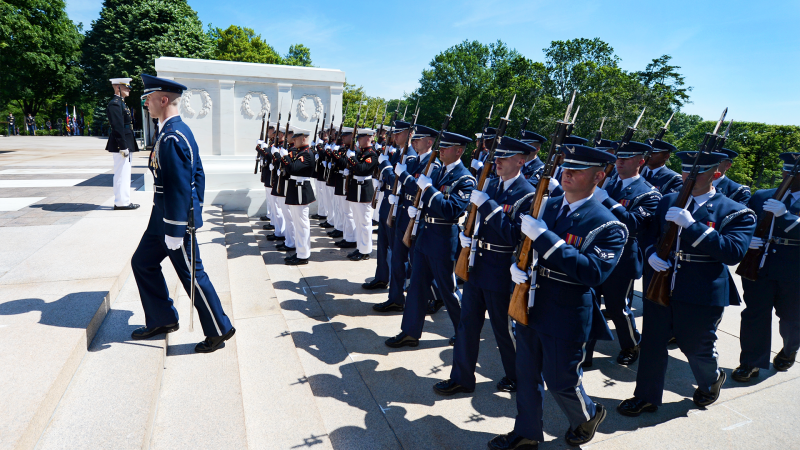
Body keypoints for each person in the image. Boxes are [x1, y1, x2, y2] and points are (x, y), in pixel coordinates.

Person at [490, 144, 625, 449]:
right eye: (567, 167)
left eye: (578, 169)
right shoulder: (546, 206)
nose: (568, 173)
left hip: (567, 309)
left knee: (561, 380)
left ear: (599, 176)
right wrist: (516, 266)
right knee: (526, 375)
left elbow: (593, 272)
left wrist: (546, 238)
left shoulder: (608, 224)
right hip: (531, 301)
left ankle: (587, 414)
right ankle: (526, 433)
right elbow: (522, 244)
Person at [618, 151, 756, 417]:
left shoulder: (735, 210)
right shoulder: (668, 200)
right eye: (685, 172)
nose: (688, 178)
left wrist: (693, 226)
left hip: (701, 290)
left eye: (697, 173)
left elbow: (733, 252)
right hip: (661, 284)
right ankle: (646, 397)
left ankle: (711, 379)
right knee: (652, 345)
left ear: (715, 174)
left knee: (697, 347)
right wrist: (650, 254)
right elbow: (647, 233)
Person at [130, 74, 235, 353]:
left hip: (173, 223)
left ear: (163, 100)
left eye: (149, 99)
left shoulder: (173, 137)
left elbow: (180, 185)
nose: (146, 104)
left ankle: (219, 329)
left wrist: (180, 226)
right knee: (142, 263)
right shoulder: (172, 131)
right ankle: (162, 318)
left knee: (193, 277)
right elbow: (198, 175)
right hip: (161, 219)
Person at [434, 136, 536, 397]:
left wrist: (488, 206)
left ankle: (515, 375)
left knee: (503, 329)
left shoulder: (529, 194)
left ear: (521, 161)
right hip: (477, 263)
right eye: (497, 156)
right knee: (467, 325)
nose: (498, 161)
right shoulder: (490, 184)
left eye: (505, 157)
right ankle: (462, 378)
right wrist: (468, 235)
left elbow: (514, 236)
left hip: (502, 268)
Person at [385, 130, 476, 348]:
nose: (440, 150)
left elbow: (451, 210)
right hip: (425, 235)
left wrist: (428, 190)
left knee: (449, 291)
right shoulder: (438, 172)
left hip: (444, 240)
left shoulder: (465, 179)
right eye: (440, 147)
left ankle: (465, 332)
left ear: (459, 151)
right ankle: (410, 332)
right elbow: (424, 196)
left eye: (446, 147)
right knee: (416, 286)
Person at [584, 141, 662, 368]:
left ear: (640, 161)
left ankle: (631, 344)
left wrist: (605, 199)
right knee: (590, 302)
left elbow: (636, 224)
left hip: (622, 257)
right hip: (596, 253)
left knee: (618, 307)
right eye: (618, 157)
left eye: (626, 159)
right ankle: (586, 352)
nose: (619, 162)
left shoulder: (649, 193)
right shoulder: (608, 183)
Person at [733, 152, 800, 381]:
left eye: (796, 171)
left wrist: (787, 217)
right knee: (754, 315)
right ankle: (751, 362)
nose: (790, 175)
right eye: (787, 169)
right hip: (760, 265)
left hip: (795, 271)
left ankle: (790, 348)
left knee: (791, 319)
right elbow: (746, 222)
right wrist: (748, 239)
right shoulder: (763, 195)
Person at [374, 124, 440, 313]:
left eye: (419, 139)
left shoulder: (433, 166)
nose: (415, 142)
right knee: (397, 260)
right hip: (404, 216)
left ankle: (434, 297)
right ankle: (395, 298)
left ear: (429, 142)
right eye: (415, 138)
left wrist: (394, 172)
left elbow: (417, 187)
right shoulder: (412, 162)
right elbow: (401, 185)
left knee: (419, 264)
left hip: (419, 220)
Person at [363, 122, 407, 289]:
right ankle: (381, 276)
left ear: (409, 135)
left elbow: (396, 179)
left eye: (399, 133)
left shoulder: (409, 156)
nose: (394, 136)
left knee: (396, 249)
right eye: (394, 133)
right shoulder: (396, 153)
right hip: (386, 202)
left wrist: (385, 166)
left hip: (397, 205)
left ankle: (399, 285)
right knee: (382, 244)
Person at [281, 127, 317, 265]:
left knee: (302, 224)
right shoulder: (300, 152)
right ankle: (300, 251)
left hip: (301, 190)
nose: (293, 140)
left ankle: (303, 255)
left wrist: (284, 157)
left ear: (303, 138)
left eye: (296, 138)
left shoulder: (307, 154)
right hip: (295, 189)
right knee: (297, 223)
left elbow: (293, 168)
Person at [106, 77, 140, 211]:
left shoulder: (121, 103)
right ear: (117, 87)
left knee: (125, 173)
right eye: (126, 87)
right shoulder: (115, 104)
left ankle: (124, 200)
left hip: (126, 141)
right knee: (122, 173)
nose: (129, 89)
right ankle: (121, 202)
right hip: (122, 143)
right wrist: (123, 146)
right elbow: (117, 127)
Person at [345, 128, 379, 261]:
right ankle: (360, 247)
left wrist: (352, 159)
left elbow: (361, 169)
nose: (358, 140)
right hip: (356, 189)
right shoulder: (361, 153)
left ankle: (365, 251)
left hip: (364, 190)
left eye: (360, 138)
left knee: (364, 222)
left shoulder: (371, 154)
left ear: (368, 138)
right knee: (358, 221)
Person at [331, 129, 357, 249]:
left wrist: (335, 155)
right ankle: (346, 236)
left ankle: (351, 238)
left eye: (345, 136)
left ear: (351, 137)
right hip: (340, 180)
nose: (343, 138)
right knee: (342, 210)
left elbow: (342, 163)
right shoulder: (344, 149)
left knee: (348, 212)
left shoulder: (354, 150)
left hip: (346, 181)